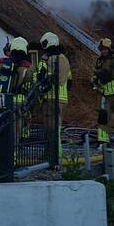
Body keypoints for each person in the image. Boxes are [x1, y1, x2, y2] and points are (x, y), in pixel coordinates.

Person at [37, 31, 72, 160]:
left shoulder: (46, 60)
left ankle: (53, 157)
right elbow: (69, 81)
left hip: (50, 98)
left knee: (50, 129)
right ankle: (55, 156)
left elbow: (40, 79)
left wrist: (40, 93)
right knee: (57, 128)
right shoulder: (65, 60)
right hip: (63, 99)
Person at [93, 37, 114, 145]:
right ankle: (103, 141)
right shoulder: (99, 61)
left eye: (104, 49)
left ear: (109, 48)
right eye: (101, 49)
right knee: (103, 118)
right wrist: (94, 81)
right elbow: (96, 75)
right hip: (104, 95)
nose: (103, 51)